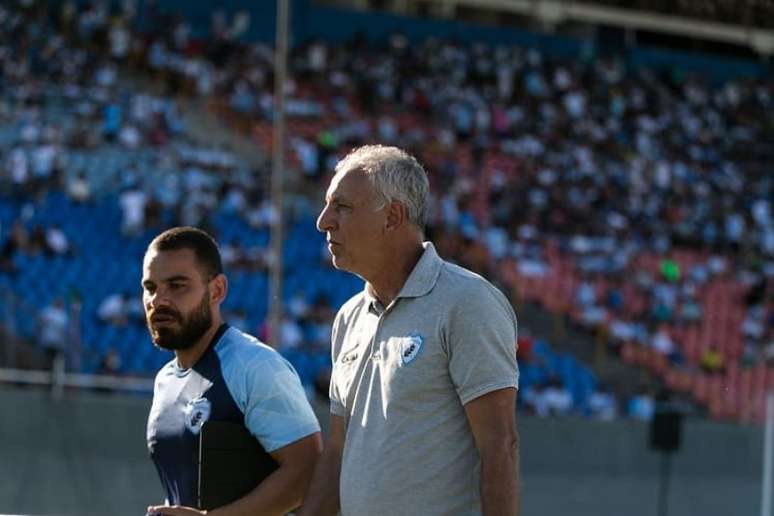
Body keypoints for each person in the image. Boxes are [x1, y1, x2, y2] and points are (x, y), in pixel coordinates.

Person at [300, 145, 520, 516]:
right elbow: (338, 451)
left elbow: (500, 447)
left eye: (342, 207)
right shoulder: (349, 317)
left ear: (392, 217)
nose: (323, 221)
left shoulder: (467, 302)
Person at [142, 227, 322, 516]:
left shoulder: (255, 366)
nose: (158, 300)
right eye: (150, 288)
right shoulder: (165, 380)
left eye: (177, 286)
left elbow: (309, 471)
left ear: (217, 290)